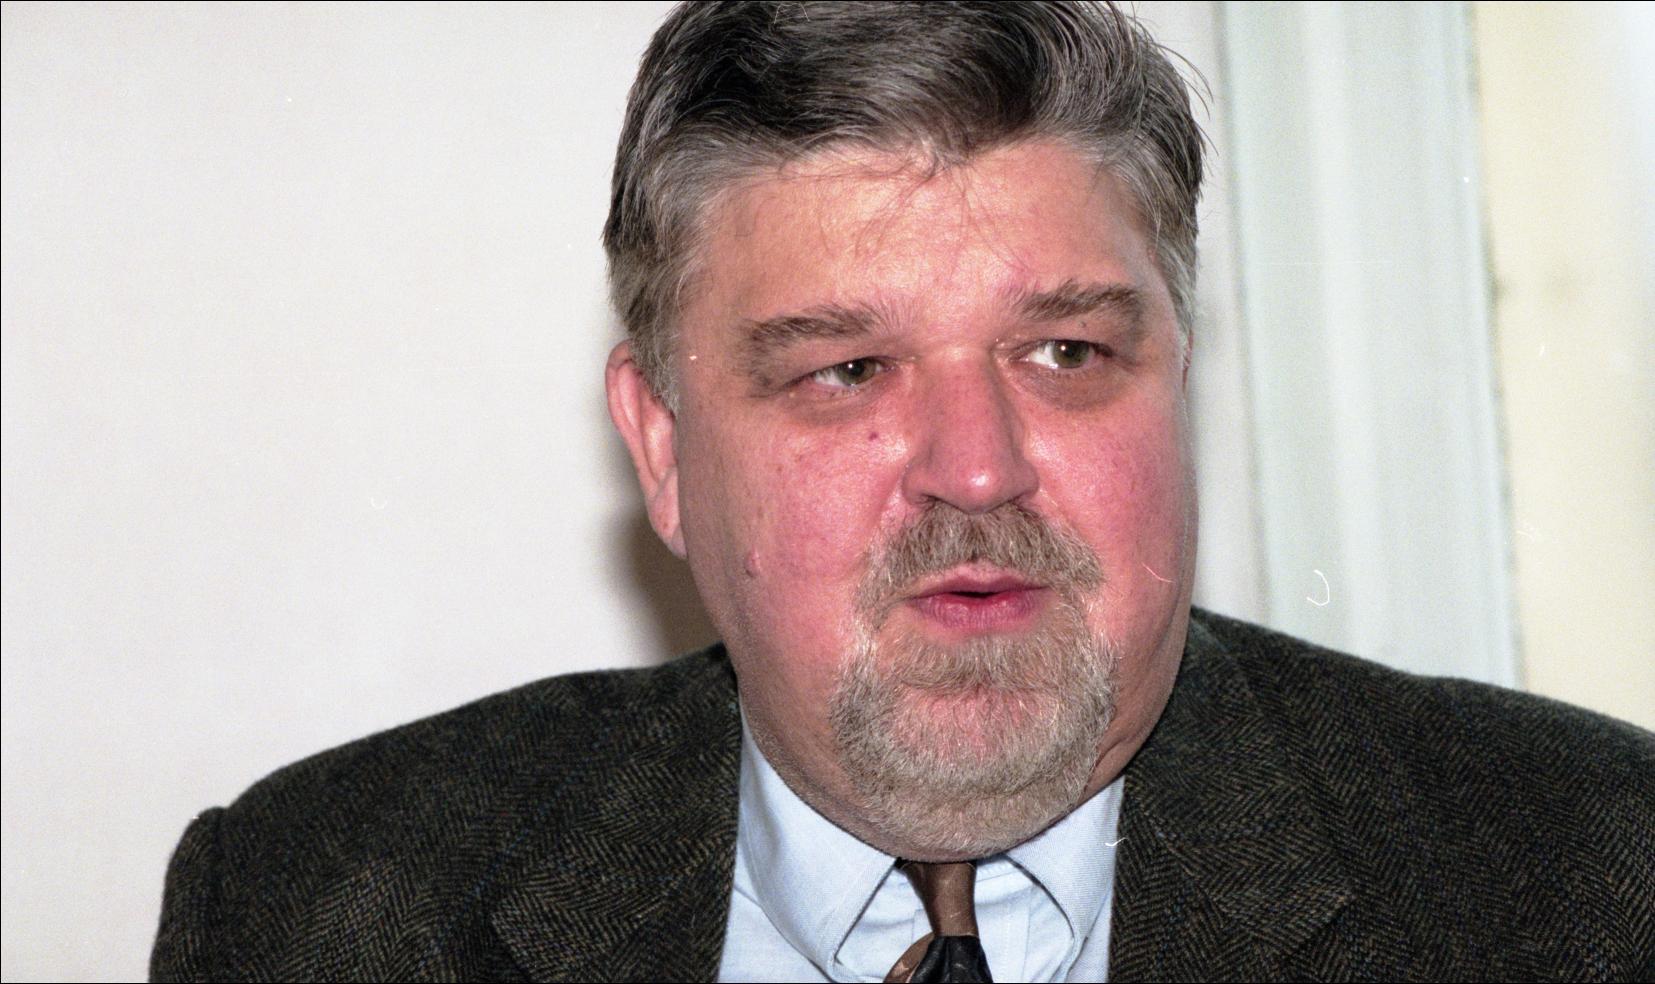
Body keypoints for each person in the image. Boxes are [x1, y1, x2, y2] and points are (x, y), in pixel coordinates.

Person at [150, 3, 1654, 981]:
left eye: (1066, 352)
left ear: (1177, 379)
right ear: (663, 449)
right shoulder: (313, 912)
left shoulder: (1592, 879)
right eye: (846, 371)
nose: (977, 467)